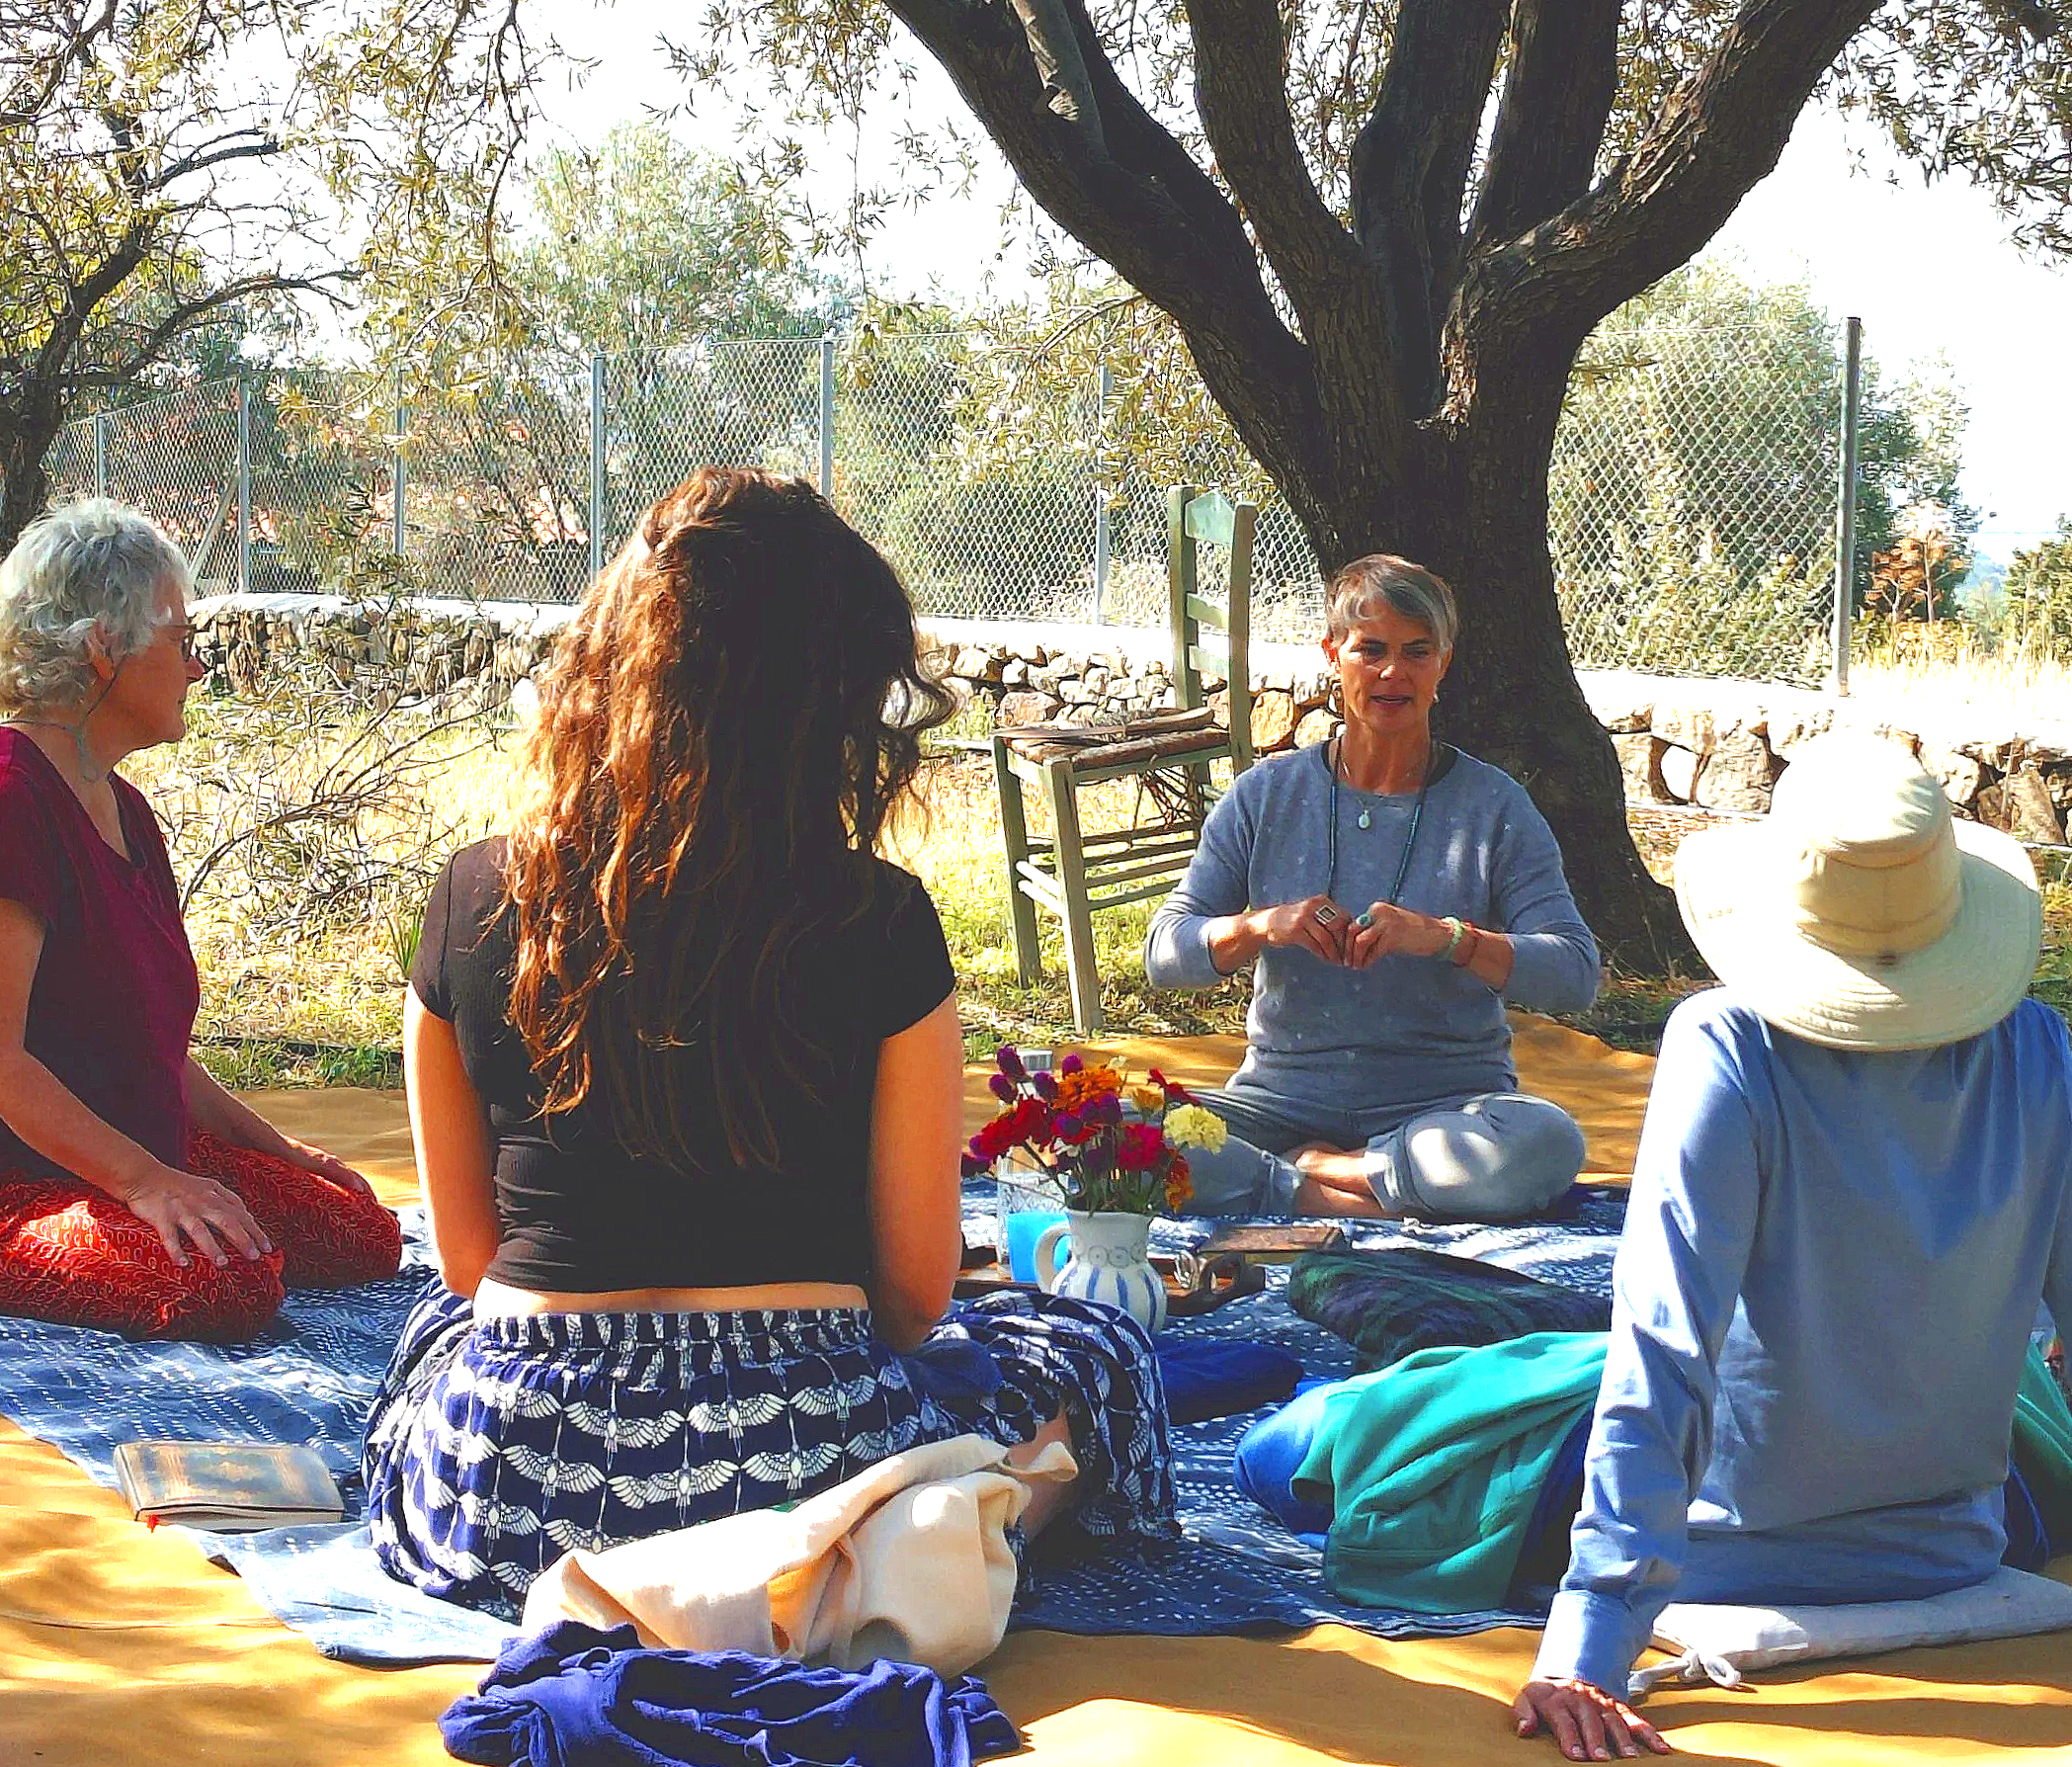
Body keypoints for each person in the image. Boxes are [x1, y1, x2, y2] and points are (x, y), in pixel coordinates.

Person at [364, 465, 1174, 1619]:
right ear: (831, 689)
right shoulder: (881, 921)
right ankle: (919, 1546)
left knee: (430, 1343)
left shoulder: (469, 896)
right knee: (1095, 1355)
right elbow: (908, 1297)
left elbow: (465, 1264)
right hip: (804, 1471)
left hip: (516, 1501)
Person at [1516, 733, 2072, 1762]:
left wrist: (1590, 1638)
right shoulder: (2031, 1051)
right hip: (1952, 1549)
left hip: (1715, 1559)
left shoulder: (1727, 1046)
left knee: (1406, 1430)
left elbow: (1662, 1352)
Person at [0, 500, 400, 1342]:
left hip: (135, 1154)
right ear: (103, 646)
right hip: (25, 1184)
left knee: (359, 1229)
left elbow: (154, 1052)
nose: (195, 667)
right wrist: (146, 1182)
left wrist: (282, 1152)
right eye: (182, 641)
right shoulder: (11, 794)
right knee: (224, 1285)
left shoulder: (129, 810)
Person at [1145, 553, 1599, 1220]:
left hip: (1446, 1112)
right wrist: (1257, 925)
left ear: (1444, 662)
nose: (1393, 672)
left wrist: (1448, 938)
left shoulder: (1493, 806)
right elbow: (1164, 951)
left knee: (1546, 1142)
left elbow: (1574, 973)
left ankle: (1317, 1176)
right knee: (1099, 1132)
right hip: (1278, 1103)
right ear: (1333, 653)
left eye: (1417, 651)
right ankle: (1357, 1196)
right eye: (1372, 649)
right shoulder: (1265, 794)